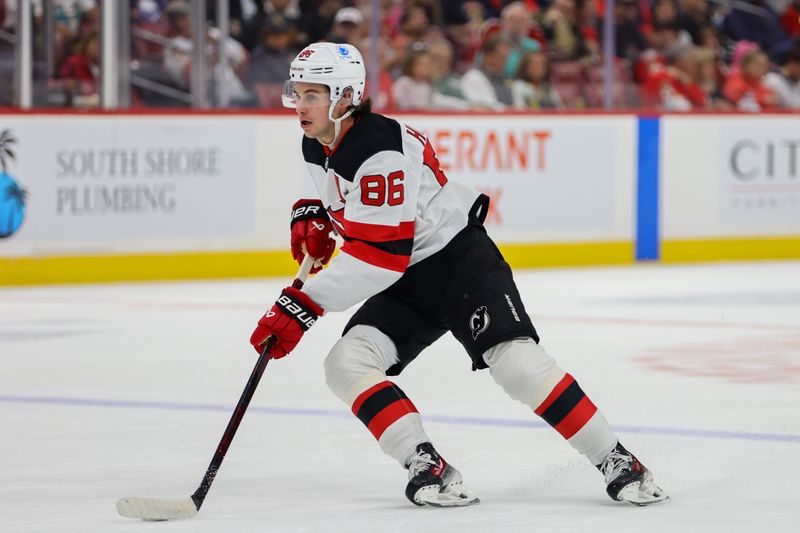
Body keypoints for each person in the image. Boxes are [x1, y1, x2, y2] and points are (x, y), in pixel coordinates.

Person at [249, 42, 669, 508]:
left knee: (515, 364)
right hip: (407, 280)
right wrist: (313, 213)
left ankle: (617, 459)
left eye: (313, 94)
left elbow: (378, 257)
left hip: (457, 264)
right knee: (346, 363)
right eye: (298, 92)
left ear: (346, 96)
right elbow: (335, 194)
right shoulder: (317, 139)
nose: (299, 105)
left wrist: (303, 305)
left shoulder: (380, 149)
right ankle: (426, 464)